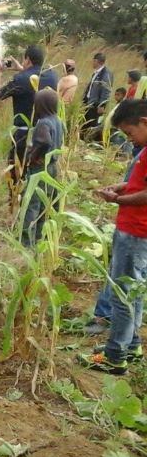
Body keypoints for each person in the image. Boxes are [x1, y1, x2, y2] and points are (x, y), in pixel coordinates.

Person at [80, 99, 147, 375]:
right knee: (134, 292)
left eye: (130, 133)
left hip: (136, 232)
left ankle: (114, 356)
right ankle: (131, 344)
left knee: (122, 295)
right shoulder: (144, 149)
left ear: (144, 122)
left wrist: (120, 200)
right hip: (133, 230)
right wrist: (122, 187)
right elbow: (140, 184)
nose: (129, 138)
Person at [0, 45, 58, 183]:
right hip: (47, 133)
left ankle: (14, 200)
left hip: (23, 136)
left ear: (27, 59)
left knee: (16, 175)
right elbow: (35, 78)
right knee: (36, 174)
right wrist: (23, 68)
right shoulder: (52, 75)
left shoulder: (20, 79)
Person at [21, 89, 65, 247]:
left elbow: (45, 141)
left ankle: (26, 242)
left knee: (31, 204)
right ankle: (38, 237)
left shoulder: (43, 123)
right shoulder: (58, 120)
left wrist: (34, 156)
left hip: (40, 169)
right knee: (43, 205)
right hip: (52, 168)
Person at [82, 52, 114, 131]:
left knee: (93, 125)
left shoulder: (105, 74)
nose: (92, 63)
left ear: (97, 61)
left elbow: (106, 90)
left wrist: (102, 105)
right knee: (85, 124)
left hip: (96, 105)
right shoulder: (96, 73)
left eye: (93, 61)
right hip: (89, 102)